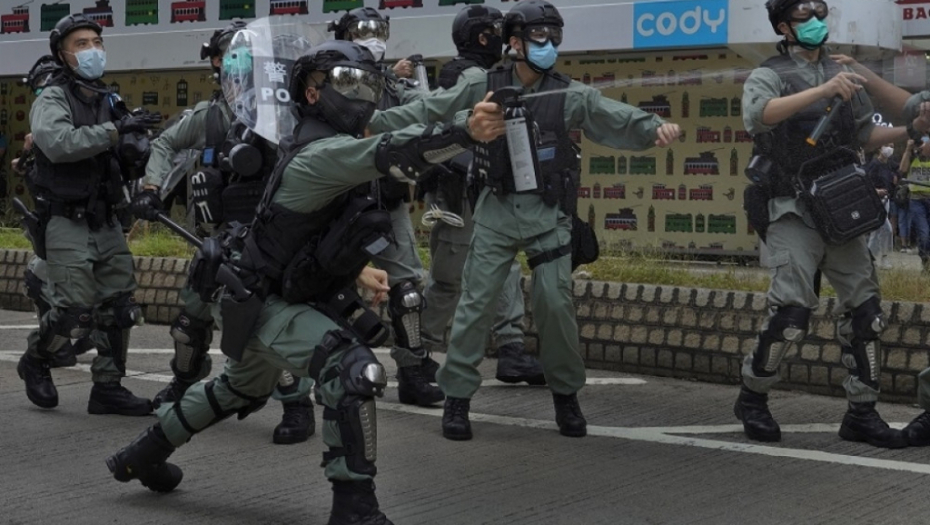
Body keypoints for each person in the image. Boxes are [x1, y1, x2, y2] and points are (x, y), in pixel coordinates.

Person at [107, 40, 502, 524]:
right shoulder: (322, 153)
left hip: (274, 292)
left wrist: (473, 90)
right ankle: (354, 506)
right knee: (352, 368)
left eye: (366, 83)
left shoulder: (329, 140)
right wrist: (467, 129)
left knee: (235, 389)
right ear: (312, 94)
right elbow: (400, 152)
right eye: (345, 83)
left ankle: (143, 454)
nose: (360, 94)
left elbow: (408, 119)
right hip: (263, 301)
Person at [367, 0, 680, 440]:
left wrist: (653, 127)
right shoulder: (481, 83)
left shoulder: (566, 93)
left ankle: (566, 396)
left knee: (556, 304)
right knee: (475, 307)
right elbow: (428, 111)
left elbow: (611, 115)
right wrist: (373, 122)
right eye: (539, 37)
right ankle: (456, 399)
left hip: (547, 215)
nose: (549, 45)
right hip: (495, 211)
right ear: (514, 43)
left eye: (555, 37)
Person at [734, 0, 927, 449]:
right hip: (790, 207)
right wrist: (822, 93)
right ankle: (753, 397)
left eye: (821, 16)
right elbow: (757, 115)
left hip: (841, 207)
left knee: (866, 311)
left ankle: (862, 411)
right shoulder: (771, 73)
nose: (817, 25)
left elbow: (863, 134)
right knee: (793, 311)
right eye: (805, 19)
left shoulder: (843, 72)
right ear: (784, 26)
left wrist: (908, 132)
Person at [132, 22, 316, 445]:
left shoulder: (290, 116)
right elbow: (163, 145)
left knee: (277, 321)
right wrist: (150, 187)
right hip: (219, 242)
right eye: (227, 57)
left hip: (274, 242)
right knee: (190, 317)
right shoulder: (211, 116)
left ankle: (297, 403)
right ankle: (183, 383)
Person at [17, 13, 157, 415]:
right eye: (81, 44)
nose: (93, 49)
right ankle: (37, 360)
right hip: (66, 219)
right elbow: (58, 143)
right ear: (62, 54)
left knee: (121, 305)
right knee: (74, 311)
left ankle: (108, 387)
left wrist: (136, 146)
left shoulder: (108, 99)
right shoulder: (53, 97)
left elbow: (126, 150)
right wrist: (115, 132)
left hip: (106, 217)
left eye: (97, 41)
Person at [419, 4, 545, 386]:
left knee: (504, 265)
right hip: (457, 191)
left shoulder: (493, 75)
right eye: (497, 32)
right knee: (449, 279)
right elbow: (440, 134)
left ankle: (511, 351)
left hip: (489, 188)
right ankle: (416, 352)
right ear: (483, 37)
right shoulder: (464, 77)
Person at [329, 7, 445, 406]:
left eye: (379, 29)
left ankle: (412, 370)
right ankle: (334, 371)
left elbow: (428, 109)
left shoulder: (391, 87)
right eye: (363, 30)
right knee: (331, 291)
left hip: (387, 203)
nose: (373, 37)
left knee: (408, 291)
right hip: (338, 205)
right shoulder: (324, 84)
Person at [14, 55, 95, 370]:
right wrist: (29, 155)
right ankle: (49, 349)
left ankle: (108, 379)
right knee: (42, 277)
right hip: (61, 223)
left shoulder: (87, 113)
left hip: (94, 221)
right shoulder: (46, 126)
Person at [898, 136, 930, 270]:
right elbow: (902, 170)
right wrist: (908, 149)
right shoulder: (913, 156)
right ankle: (925, 261)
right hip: (916, 200)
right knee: (924, 234)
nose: (922, 146)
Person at [864, 144, 896, 268]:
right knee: (886, 229)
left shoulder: (889, 164)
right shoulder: (873, 164)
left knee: (877, 231)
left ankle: (871, 258)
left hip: (885, 200)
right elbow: (865, 181)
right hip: (875, 201)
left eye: (892, 146)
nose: (890, 148)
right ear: (880, 148)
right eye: (887, 145)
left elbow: (899, 171)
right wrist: (876, 191)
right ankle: (882, 257)